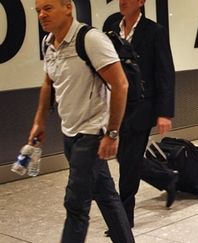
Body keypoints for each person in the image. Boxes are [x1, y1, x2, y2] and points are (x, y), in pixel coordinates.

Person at [31, 0, 135, 242]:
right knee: (107, 196)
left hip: (92, 133)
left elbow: (121, 84)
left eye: (48, 8)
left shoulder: (90, 39)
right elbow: (48, 84)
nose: (42, 15)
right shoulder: (49, 43)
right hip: (69, 133)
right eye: (38, 11)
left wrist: (111, 133)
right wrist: (40, 121)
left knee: (76, 205)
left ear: (67, 7)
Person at [103, 0, 176, 235]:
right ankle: (166, 178)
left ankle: (124, 219)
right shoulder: (113, 29)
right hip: (118, 105)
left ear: (141, 1)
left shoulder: (155, 31)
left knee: (129, 161)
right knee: (125, 159)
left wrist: (164, 112)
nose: (122, 1)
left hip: (143, 106)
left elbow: (165, 72)